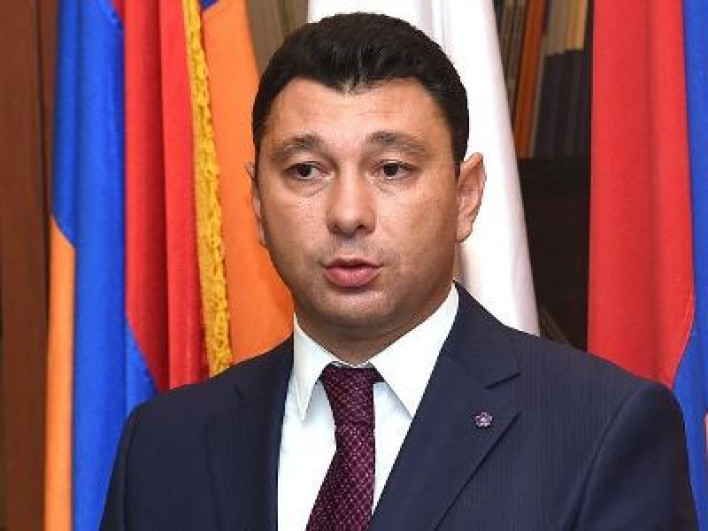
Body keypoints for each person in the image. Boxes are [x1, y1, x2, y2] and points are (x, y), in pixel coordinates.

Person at [101, 12, 697, 530]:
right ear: (258, 204)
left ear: (465, 197)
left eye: (391, 169)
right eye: (306, 170)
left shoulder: (600, 431)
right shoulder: (163, 445)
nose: (348, 214)